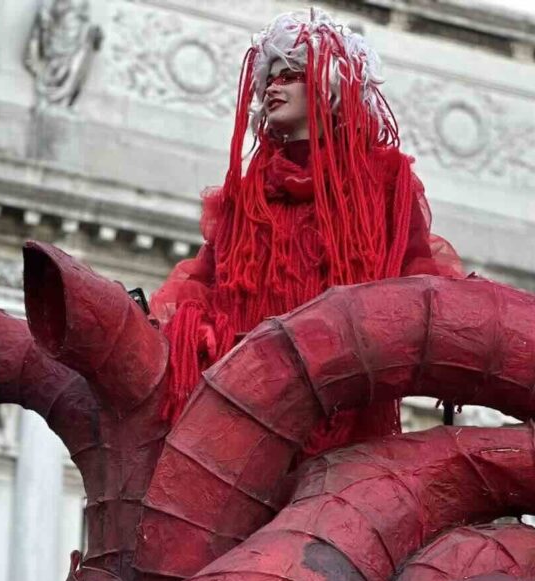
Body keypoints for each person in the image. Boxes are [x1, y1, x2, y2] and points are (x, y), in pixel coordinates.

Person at [151, 9, 462, 457]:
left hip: (345, 402)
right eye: (270, 79)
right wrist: (189, 330)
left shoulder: (383, 179)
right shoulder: (248, 192)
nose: (273, 87)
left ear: (328, 85)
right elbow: (204, 282)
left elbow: (417, 276)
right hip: (253, 402)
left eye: (290, 75)